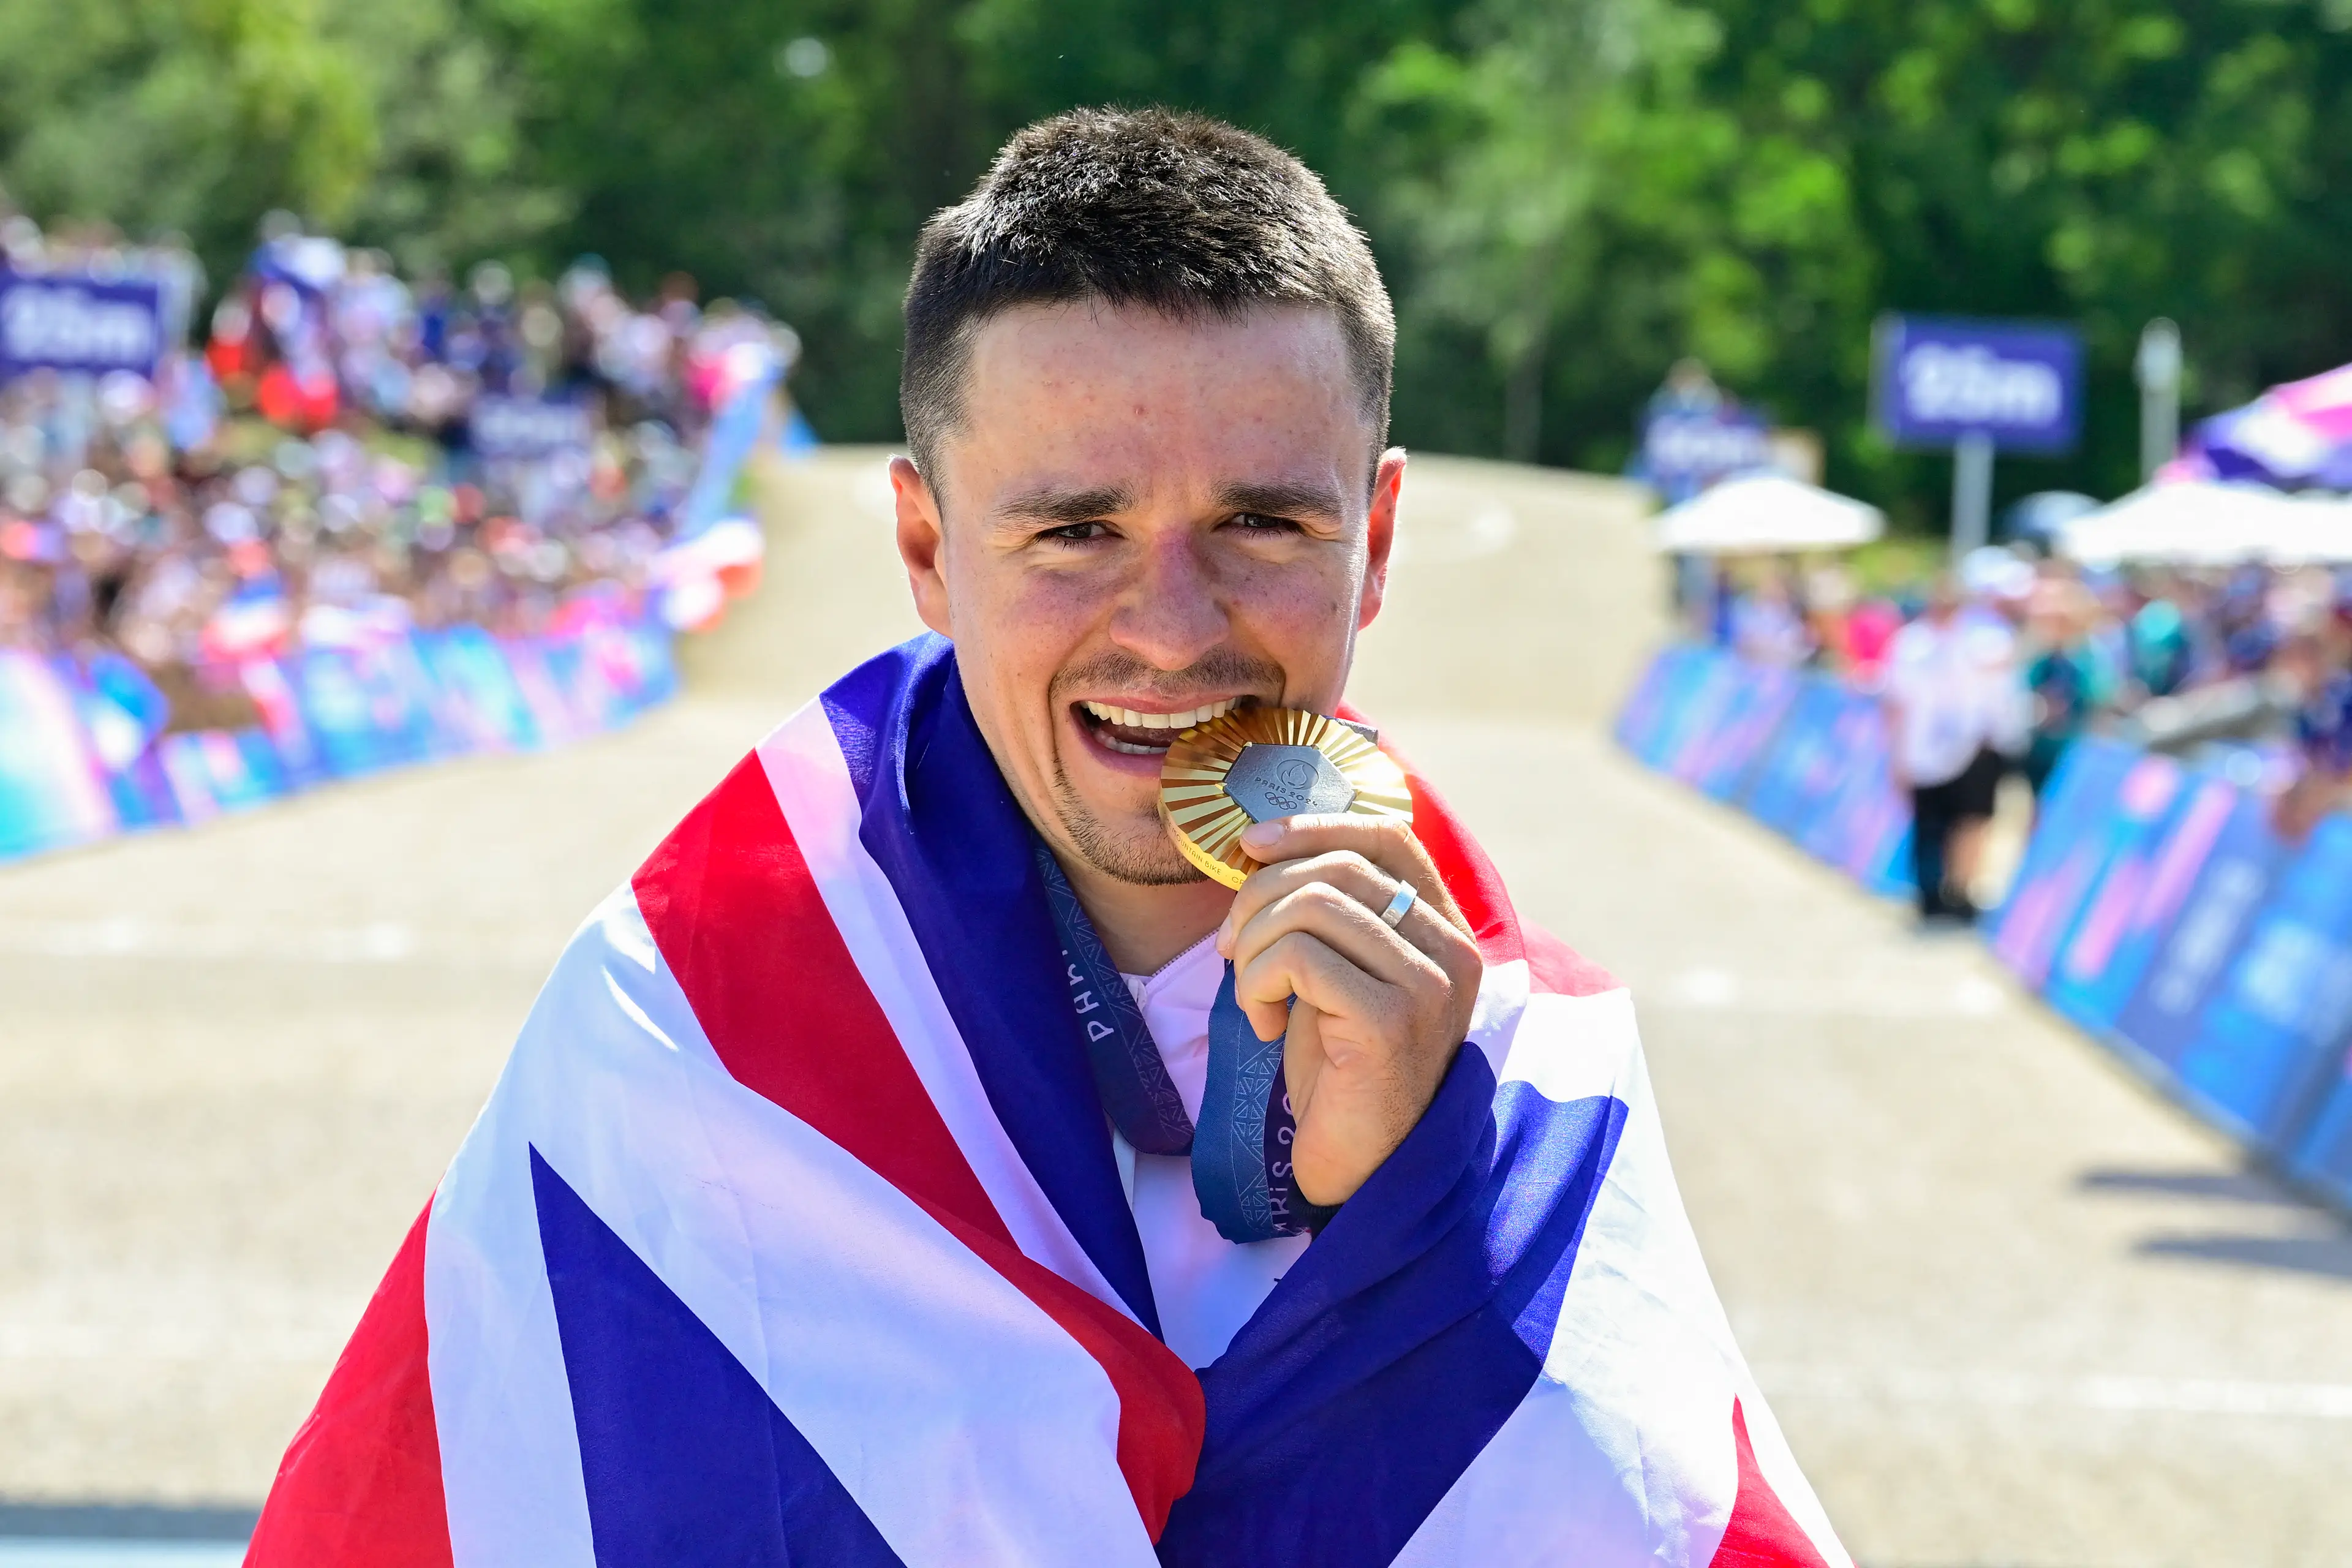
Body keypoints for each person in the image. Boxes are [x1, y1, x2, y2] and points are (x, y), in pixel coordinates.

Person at [245, 110, 1844, 1566]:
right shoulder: (683, 1036)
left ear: (1376, 544)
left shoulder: (1524, 1072)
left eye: (1264, 523)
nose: (1172, 628)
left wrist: (1416, 1228)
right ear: (929, 548)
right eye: (1077, 531)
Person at [1883, 575, 2015, 922]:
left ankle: (1960, 892)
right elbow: (1896, 703)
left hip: (1974, 749)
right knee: (1930, 826)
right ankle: (1929, 894)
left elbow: (2003, 680)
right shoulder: (1912, 644)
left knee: (1971, 823)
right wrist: (1897, 755)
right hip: (1924, 752)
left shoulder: (1983, 639)